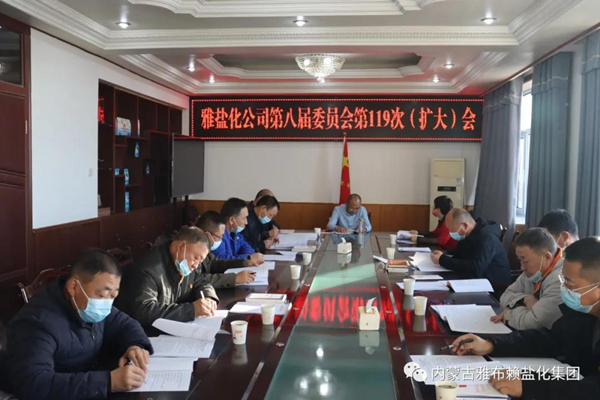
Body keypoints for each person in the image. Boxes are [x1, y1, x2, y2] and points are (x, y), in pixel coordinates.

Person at [451, 237, 600, 399]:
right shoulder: (581, 312)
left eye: (570, 285)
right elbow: (548, 340)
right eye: (562, 280)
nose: (563, 289)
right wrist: (491, 344)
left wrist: (529, 386)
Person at [0, 249, 152, 399]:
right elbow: (35, 384)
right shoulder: (37, 323)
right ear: (73, 287)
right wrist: (108, 382)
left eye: (113, 296)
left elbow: (126, 324)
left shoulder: (88, 304)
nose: (107, 303)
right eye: (102, 295)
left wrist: (135, 346)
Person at [115, 227, 220, 329]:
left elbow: (201, 281)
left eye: (200, 261)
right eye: (196, 258)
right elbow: (144, 311)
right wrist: (191, 310)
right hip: (144, 331)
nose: (196, 265)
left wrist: (209, 297)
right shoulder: (149, 269)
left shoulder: (183, 262)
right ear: (181, 246)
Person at [491, 228, 563, 330]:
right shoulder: (533, 272)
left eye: (525, 260)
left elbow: (533, 323)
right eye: (520, 260)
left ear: (547, 257)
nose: (522, 267)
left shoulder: (561, 280)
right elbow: (505, 296)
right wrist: (524, 299)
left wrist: (508, 313)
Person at [430, 208, 510, 284]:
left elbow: (476, 267)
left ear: (465, 226)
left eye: (452, 229)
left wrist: (443, 260)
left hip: (493, 284)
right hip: (476, 278)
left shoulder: (487, 237)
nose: (450, 233)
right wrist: (443, 254)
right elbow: (458, 252)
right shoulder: (470, 232)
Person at [195, 210, 258, 283]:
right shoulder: (192, 251)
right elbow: (198, 279)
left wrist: (244, 263)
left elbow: (216, 263)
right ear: (208, 235)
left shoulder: (206, 250)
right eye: (220, 236)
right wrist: (234, 278)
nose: (222, 240)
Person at [212, 198, 264, 263]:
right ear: (231, 220)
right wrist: (248, 257)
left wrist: (247, 257)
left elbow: (250, 250)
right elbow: (222, 260)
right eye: (244, 218)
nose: (246, 222)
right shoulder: (218, 236)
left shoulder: (237, 234)